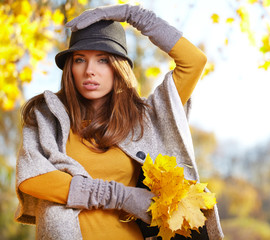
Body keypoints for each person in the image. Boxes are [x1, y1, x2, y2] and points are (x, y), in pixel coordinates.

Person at [15, 4, 223, 240]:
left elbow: (194, 61)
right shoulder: (47, 117)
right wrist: (121, 196)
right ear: (70, 68)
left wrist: (133, 15)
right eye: (80, 60)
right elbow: (32, 179)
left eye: (102, 60)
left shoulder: (146, 118)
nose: (90, 71)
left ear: (118, 67)